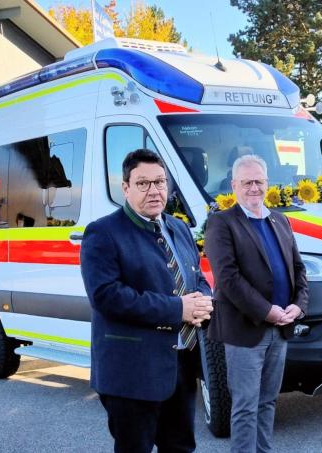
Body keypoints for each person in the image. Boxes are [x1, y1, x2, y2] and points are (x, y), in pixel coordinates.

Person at [80, 149, 213, 452]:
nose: (154, 190)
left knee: (180, 448)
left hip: (179, 367)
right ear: (125, 187)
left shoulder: (178, 227)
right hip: (131, 374)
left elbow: (196, 277)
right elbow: (107, 296)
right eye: (143, 184)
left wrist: (204, 300)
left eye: (160, 182)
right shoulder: (102, 233)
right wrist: (179, 308)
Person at [205, 154, 309, 453]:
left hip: (281, 329)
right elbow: (227, 278)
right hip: (246, 331)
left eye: (259, 181)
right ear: (234, 185)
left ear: (267, 183)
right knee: (246, 407)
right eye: (247, 182)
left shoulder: (281, 220)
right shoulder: (221, 223)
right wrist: (267, 311)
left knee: (268, 402)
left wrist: (298, 306)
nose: (254, 188)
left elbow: (298, 270)